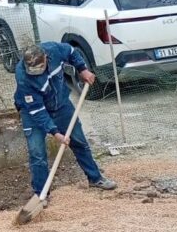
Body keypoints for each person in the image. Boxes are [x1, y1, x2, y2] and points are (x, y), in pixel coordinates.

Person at [14, 43, 115, 196]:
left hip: (61, 105)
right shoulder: (23, 76)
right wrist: (55, 133)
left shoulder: (54, 50)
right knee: (37, 154)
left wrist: (83, 69)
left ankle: (95, 178)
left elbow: (72, 51)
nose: (35, 73)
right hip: (33, 112)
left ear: (46, 59)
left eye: (38, 69)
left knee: (79, 142)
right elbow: (37, 110)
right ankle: (41, 193)